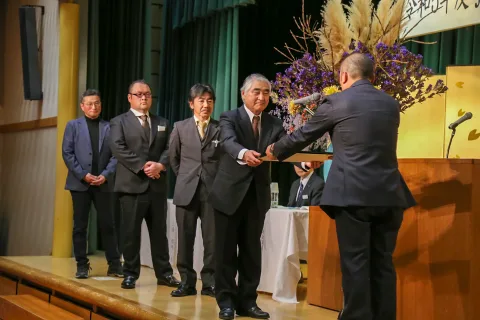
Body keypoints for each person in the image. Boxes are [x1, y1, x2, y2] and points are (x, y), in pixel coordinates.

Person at [266, 53, 416, 320]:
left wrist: (275, 150)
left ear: (344, 76)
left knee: (356, 265)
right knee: (383, 265)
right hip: (390, 195)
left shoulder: (337, 102)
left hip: (352, 195)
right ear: (373, 76)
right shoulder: (391, 104)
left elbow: (303, 135)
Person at [209, 74, 319, 320]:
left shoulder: (273, 123)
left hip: (256, 198)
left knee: (251, 252)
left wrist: (304, 160)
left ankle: (248, 302)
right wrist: (244, 152)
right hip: (228, 196)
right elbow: (227, 142)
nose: (261, 97)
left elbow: (285, 147)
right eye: (256, 91)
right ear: (244, 94)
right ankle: (226, 302)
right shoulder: (229, 117)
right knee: (225, 253)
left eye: (267, 92)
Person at [109, 80, 179, 289]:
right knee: (131, 233)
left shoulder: (163, 122)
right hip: (131, 186)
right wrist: (143, 166)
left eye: (147, 94)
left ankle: (164, 274)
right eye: (139, 94)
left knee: (159, 233)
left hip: (157, 186)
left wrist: (160, 165)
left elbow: (170, 148)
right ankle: (130, 273)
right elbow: (118, 148)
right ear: (130, 98)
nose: (144, 98)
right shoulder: (118, 122)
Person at [62, 89, 122, 279]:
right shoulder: (73, 125)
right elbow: (67, 153)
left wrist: (105, 175)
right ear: (82, 106)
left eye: (96, 103)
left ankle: (114, 265)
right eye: (89, 104)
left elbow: (116, 155)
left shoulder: (110, 126)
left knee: (108, 225)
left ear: (100, 105)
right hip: (80, 184)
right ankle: (81, 264)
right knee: (80, 225)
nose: (93, 107)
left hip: (103, 183)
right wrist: (83, 175)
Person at [168, 83, 220, 298]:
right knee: (185, 239)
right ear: (191, 104)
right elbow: (174, 159)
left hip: (212, 193)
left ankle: (210, 283)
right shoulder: (180, 127)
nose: (205, 104)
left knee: (212, 241)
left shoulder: (221, 128)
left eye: (209, 100)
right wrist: (187, 177)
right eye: (201, 100)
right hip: (186, 191)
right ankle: (187, 283)